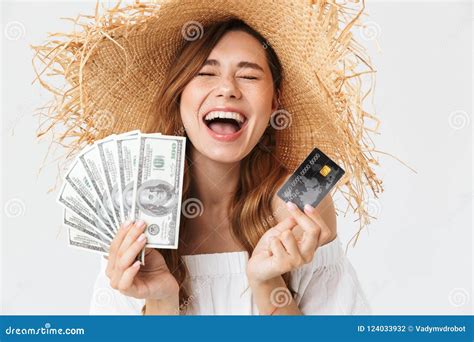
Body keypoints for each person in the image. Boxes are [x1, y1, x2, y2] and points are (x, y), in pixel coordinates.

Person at [33, 0, 383, 315]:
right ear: (179, 94)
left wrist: (268, 284)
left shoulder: (302, 211)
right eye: (205, 73)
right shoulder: (130, 215)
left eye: (248, 75)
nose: (228, 88)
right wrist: (161, 301)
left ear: (274, 102)